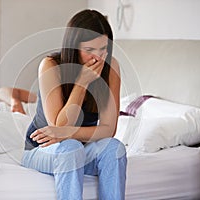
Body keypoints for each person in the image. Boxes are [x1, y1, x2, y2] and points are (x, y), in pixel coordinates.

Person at [21, 9, 127, 200]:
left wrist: (68, 133)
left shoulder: (111, 68)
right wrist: (81, 83)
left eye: (104, 48)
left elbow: (108, 130)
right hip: (42, 150)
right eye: (89, 50)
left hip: (81, 150)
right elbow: (58, 127)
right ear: (73, 47)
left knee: (114, 148)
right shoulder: (51, 65)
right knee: (70, 148)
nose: (98, 57)